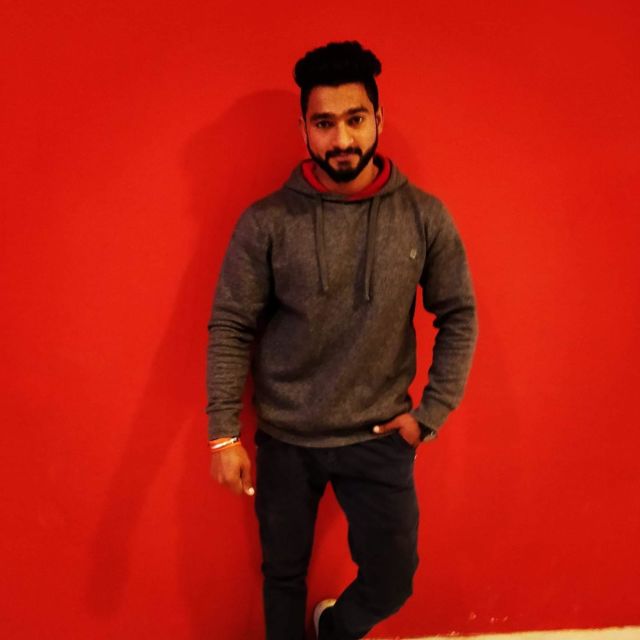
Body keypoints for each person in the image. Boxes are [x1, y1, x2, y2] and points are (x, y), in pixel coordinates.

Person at [206, 40, 478, 640]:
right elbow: (231, 323)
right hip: (286, 439)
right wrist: (223, 433)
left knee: (393, 578)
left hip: (378, 437)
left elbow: (459, 314)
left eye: (355, 119)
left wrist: (429, 415)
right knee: (282, 575)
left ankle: (334, 630)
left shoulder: (423, 216)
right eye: (324, 123)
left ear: (379, 119)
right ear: (304, 129)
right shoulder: (266, 221)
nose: (342, 140)